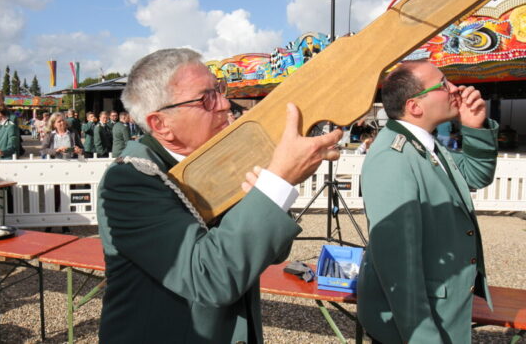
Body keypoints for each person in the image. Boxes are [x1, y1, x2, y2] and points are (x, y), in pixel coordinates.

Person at [97, 48, 342, 343]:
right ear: (161, 124)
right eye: (206, 99)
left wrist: (269, 188)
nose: (225, 104)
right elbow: (209, 278)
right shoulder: (130, 180)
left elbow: (276, 252)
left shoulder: (218, 159)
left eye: (219, 90)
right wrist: (279, 179)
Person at [357, 60, 498, 344]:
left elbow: (476, 175)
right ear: (415, 107)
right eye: (443, 84)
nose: (455, 89)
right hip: (418, 323)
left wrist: (475, 127)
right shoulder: (393, 158)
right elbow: (398, 266)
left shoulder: (422, 144)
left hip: (440, 310)